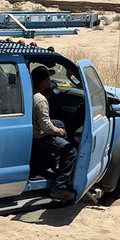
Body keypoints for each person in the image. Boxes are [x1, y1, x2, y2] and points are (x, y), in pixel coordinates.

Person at [31, 65, 77, 201]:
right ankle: (59, 186)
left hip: (32, 131)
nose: (50, 80)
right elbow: (46, 128)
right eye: (48, 78)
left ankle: (53, 163)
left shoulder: (30, 92)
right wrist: (59, 132)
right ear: (43, 82)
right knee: (71, 151)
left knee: (60, 123)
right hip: (39, 137)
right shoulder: (40, 100)